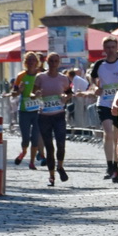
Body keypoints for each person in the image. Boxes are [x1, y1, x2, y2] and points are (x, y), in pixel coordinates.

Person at [90, 37, 118, 181]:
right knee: (108, 133)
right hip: (104, 103)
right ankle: (109, 165)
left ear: (117, 47)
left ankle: (117, 165)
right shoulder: (99, 64)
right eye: (108, 47)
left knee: (117, 135)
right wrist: (95, 87)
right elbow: (93, 78)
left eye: (113, 47)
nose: (110, 50)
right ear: (104, 49)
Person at [33, 52, 74, 186]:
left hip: (59, 115)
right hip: (44, 116)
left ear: (59, 63)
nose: (53, 64)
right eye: (51, 61)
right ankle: (51, 176)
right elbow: (32, 93)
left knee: (61, 144)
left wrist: (65, 97)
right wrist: (36, 94)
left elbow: (69, 93)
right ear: (47, 62)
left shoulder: (63, 78)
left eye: (56, 61)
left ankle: (60, 166)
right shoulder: (40, 77)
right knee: (49, 147)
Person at [11, 51, 42, 171]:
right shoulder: (21, 76)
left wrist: (40, 94)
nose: (31, 62)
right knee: (25, 138)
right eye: (28, 60)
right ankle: (23, 152)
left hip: (37, 110)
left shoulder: (41, 76)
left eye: (33, 60)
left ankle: (32, 162)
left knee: (35, 137)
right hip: (24, 110)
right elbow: (13, 93)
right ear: (25, 62)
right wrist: (19, 90)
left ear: (37, 62)